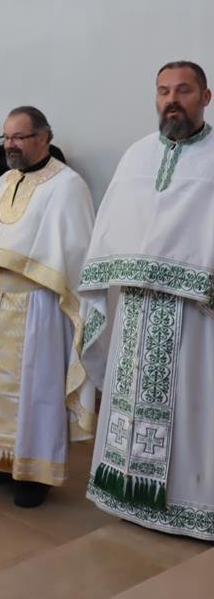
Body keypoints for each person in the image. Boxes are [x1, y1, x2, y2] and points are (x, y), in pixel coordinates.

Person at [80, 61, 214, 540]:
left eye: (183, 90)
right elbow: (111, 228)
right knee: (130, 398)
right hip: (136, 309)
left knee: (194, 402)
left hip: (196, 312)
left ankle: (193, 506)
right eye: (163, 91)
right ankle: (128, 495)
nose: (171, 100)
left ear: (206, 97)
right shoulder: (136, 156)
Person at [0, 106, 97, 509]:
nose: (10, 145)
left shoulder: (68, 185)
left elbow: (77, 251)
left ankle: (35, 473)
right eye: (6, 137)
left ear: (44, 137)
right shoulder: (4, 181)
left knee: (36, 389)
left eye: (18, 137)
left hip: (39, 305)